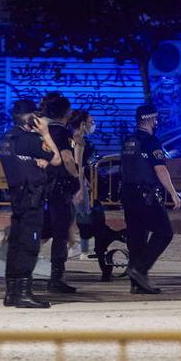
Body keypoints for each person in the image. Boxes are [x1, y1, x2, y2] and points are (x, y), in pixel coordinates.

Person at [0, 99, 59, 308]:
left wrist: (37, 160)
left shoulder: (6, 138)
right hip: (32, 197)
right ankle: (23, 293)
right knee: (29, 245)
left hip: (17, 196)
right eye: (37, 115)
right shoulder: (30, 140)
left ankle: (11, 291)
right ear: (31, 117)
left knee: (16, 243)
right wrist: (46, 134)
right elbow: (57, 158)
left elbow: (30, 159)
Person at [120, 103, 181, 294]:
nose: (156, 122)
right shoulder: (151, 141)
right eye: (155, 119)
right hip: (145, 194)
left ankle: (137, 283)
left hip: (128, 193)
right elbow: (160, 169)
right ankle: (139, 269)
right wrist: (173, 192)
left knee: (137, 238)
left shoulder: (128, 140)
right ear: (148, 119)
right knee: (164, 232)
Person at [68, 108, 125, 281]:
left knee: (80, 218)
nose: (93, 124)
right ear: (83, 124)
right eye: (91, 121)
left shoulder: (69, 138)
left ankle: (84, 250)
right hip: (77, 185)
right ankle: (79, 247)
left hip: (75, 183)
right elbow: (78, 166)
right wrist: (80, 187)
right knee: (86, 218)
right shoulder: (78, 140)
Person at [40, 92, 80, 294]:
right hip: (59, 187)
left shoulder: (40, 131)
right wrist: (77, 179)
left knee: (41, 228)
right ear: (65, 112)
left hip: (40, 184)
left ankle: (22, 267)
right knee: (61, 232)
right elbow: (67, 159)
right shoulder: (62, 133)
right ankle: (56, 277)